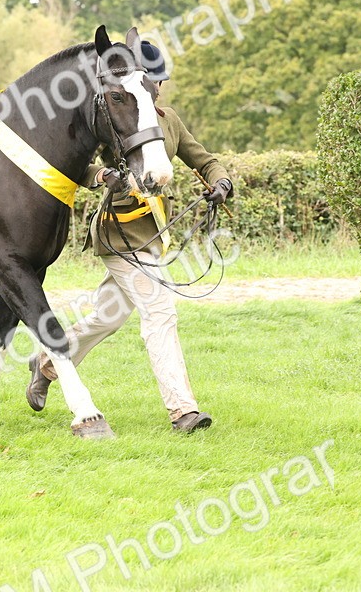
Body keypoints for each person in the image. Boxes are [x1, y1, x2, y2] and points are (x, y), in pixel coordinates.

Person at [26, 40, 233, 433]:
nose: (158, 88)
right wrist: (102, 176)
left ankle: (47, 363)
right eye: (153, 81)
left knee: (107, 318)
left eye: (160, 82)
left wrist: (220, 181)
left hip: (155, 236)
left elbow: (203, 158)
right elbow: (78, 167)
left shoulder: (168, 120)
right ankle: (183, 410)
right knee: (160, 311)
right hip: (120, 234)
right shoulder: (114, 115)